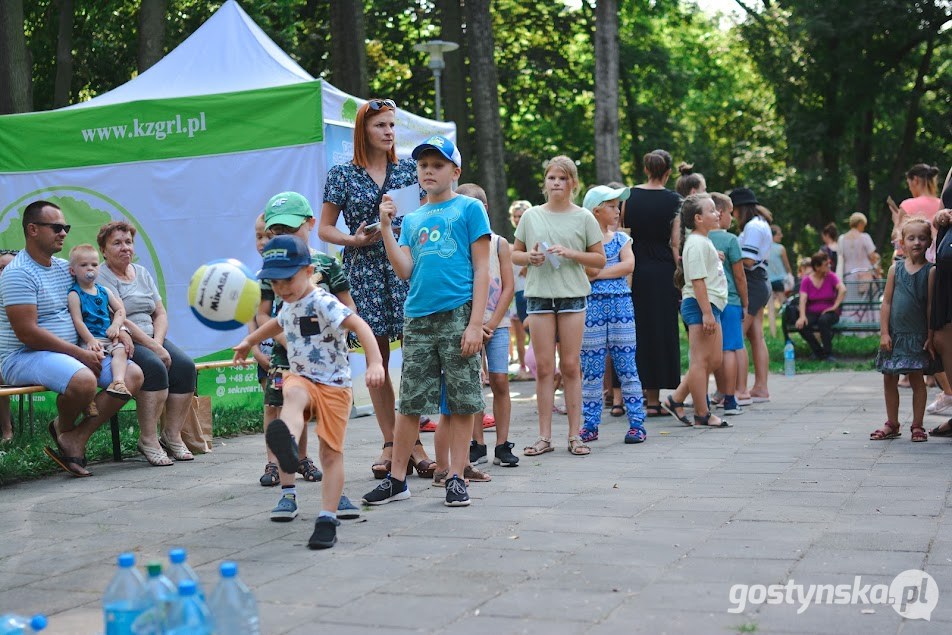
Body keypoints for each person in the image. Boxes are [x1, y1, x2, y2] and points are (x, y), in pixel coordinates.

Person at [362, 135, 490, 507]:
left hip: (458, 314)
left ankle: (455, 476)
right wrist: (386, 227)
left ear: (455, 171)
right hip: (417, 318)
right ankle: (397, 479)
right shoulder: (413, 217)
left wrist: (475, 323)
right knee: (410, 402)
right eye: (423, 165)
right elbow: (404, 270)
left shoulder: (469, 208)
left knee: (463, 399)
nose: (429, 171)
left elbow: (482, 267)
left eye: (437, 165)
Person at [233, 235, 385, 549]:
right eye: (274, 283)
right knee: (292, 394)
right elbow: (276, 324)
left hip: (334, 386)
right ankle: (287, 440)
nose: (282, 289)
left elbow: (360, 327)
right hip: (301, 376)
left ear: (308, 270)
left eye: (288, 279)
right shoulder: (288, 303)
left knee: (330, 453)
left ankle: (327, 518)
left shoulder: (323, 301)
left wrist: (375, 362)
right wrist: (249, 342)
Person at [318, 98, 434, 478]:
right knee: (377, 359)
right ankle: (391, 441)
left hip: (404, 268)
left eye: (391, 125)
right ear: (363, 131)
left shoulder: (407, 172)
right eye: (380, 126)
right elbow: (324, 229)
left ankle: (413, 442)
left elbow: (424, 217)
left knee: (415, 358)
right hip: (364, 271)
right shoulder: (342, 174)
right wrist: (352, 241)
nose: (388, 132)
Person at [0, 201, 143, 477]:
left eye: (65, 227)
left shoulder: (65, 268)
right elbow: (27, 334)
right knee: (83, 380)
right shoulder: (17, 273)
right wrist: (79, 354)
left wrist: (120, 330)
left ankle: (74, 438)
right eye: (56, 227)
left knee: (133, 375)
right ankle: (64, 427)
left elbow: (99, 303)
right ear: (32, 229)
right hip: (21, 356)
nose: (64, 233)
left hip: (69, 351)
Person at [259, 193, 359, 486]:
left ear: (310, 224)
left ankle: (301, 458)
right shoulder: (270, 269)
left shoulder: (327, 264)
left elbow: (349, 306)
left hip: (323, 356)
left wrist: (338, 329)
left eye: (290, 229)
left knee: (309, 409)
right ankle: (273, 463)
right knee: (277, 404)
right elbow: (264, 316)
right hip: (283, 355)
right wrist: (287, 341)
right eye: (276, 232)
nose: (284, 236)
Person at [512, 155, 605, 458]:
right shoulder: (531, 216)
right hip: (538, 296)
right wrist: (530, 258)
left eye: (562, 178)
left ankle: (575, 435)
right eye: (552, 177)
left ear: (572, 183)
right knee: (543, 369)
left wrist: (570, 253)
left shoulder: (584, 217)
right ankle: (543, 437)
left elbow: (599, 260)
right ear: (545, 182)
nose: (556, 183)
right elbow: (514, 254)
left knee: (569, 366)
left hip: (572, 296)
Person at [97, 221, 196, 467]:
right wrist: (154, 348)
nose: (124, 248)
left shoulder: (141, 272)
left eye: (128, 242)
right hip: (122, 338)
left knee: (185, 367)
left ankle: (171, 435)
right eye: (117, 243)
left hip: (152, 337)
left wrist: (158, 342)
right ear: (104, 250)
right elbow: (120, 319)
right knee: (154, 367)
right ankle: (148, 440)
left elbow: (160, 313)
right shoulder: (101, 276)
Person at [454, 183, 519, 469]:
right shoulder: (456, 243)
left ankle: (502, 444)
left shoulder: (499, 243)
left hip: (497, 324)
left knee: (500, 380)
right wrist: (474, 324)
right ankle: (476, 443)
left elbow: (508, 287)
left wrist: (490, 324)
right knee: (471, 384)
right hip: (467, 324)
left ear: (485, 209)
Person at [578, 185, 646, 444]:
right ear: (596, 210)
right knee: (592, 368)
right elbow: (584, 270)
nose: (618, 211)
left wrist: (599, 273)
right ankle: (590, 424)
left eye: (618, 206)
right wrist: (611, 269)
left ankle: (637, 423)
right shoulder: (583, 242)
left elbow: (629, 265)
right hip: (592, 307)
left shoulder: (622, 239)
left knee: (627, 365)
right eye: (612, 206)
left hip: (621, 307)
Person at [663, 194, 731, 428]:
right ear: (699, 218)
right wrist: (706, 313)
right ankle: (702, 413)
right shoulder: (697, 243)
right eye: (712, 211)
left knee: (712, 360)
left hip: (710, 304)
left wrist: (716, 258)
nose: (718, 213)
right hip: (702, 305)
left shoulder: (702, 241)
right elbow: (698, 281)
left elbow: (705, 268)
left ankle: (677, 398)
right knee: (702, 361)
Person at [625, 150, 682, 417]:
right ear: (668, 172)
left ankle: (627, 397)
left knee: (636, 331)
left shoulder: (628, 197)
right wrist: (680, 275)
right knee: (660, 331)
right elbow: (674, 242)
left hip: (634, 267)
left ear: (646, 169)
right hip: (662, 271)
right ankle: (654, 400)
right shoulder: (675, 201)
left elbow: (623, 234)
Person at [870, 218, 935, 443]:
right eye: (911, 238)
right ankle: (892, 423)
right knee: (889, 378)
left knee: (917, 379)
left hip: (916, 336)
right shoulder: (894, 269)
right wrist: (884, 332)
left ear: (929, 242)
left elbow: (929, 306)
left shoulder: (930, 271)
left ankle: (917, 425)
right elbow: (886, 303)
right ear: (902, 242)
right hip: (894, 336)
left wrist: (930, 335)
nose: (917, 242)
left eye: (922, 238)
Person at [66, 244, 133, 400]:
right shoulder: (75, 294)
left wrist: (116, 325)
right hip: (90, 340)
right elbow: (78, 321)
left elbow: (120, 310)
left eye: (94, 265)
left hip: (108, 337)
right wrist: (90, 340)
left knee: (121, 350)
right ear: (72, 271)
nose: (90, 269)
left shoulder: (104, 291)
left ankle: (118, 382)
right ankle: (87, 399)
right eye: (84, 265)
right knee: (94, 357)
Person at [730, 188, 772, 403]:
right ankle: (760, 388)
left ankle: (740, 389)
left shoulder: (753, 227)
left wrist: (725, 258)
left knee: (737, 336)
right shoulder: (758, 224)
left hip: (752, 281)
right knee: (756, 336)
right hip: (759, 281)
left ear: (740, 208)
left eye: (733, 210)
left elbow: (747, 260)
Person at [708, 193, 748, 416]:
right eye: (731, 213)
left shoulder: (698, 237)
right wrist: (745, 301)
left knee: (708, 351)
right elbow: (740, 276)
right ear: (720, 213)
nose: (732, 218)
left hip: (707, 300)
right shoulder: (730, 240)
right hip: (730, 298)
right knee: (730, 348)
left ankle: (710, 395)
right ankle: (730, 399)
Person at [795, 252, 846, 361]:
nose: (829, 266)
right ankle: (819, 352)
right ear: (817, 267)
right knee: (801, 325)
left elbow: (842, 289)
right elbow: (803, 299)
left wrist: (835, 306)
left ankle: (828, 354)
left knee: (823, 321)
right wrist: (802, 316)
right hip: (813, 312)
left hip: (830, 312)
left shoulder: (831, 276)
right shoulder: (807, 280)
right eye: (826, 265)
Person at [888, 163, 943, 261]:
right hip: (935, 257)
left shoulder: (907, 205)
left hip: (909, 260)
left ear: (915, 180)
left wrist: (896, 220)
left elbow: (897, 236)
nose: (910, 188)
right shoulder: (941, 204)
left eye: (909, 184)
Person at [835, 212, 880, 325]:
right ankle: (867, 324)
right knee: (866, 301)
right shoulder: (865, 237)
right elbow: (872, 257)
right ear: (860, 223)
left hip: (848, 274)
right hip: (864, 274)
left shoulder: (841, 239)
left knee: (851, 300)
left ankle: (850, 325)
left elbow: (841, 257)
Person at [508, 200, 533, 381]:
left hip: (530, 291)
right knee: (519, 332)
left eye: (521, 216)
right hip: (517, 291)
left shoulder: (533, 239)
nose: (518, 219)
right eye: (515, 216)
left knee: (532, 330)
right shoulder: (513, 243)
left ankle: (536, 365)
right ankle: (525, 366)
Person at [0, 249, 18, 443]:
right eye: (0, 268)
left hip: (22, 357)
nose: (4, 273)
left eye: (9, 268)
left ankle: (7, 431)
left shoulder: (27, 297)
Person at [766, 224, 793, 338]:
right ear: (773, 235)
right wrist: (790, 276)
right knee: (785, 307)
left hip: (768, 281)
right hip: (780, 281)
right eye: (779, 233)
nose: (781, 235)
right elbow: (787, 266)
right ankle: (789, 332)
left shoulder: (763, 249)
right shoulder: (780, 248)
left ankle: (773, 334)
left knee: (771, 310)